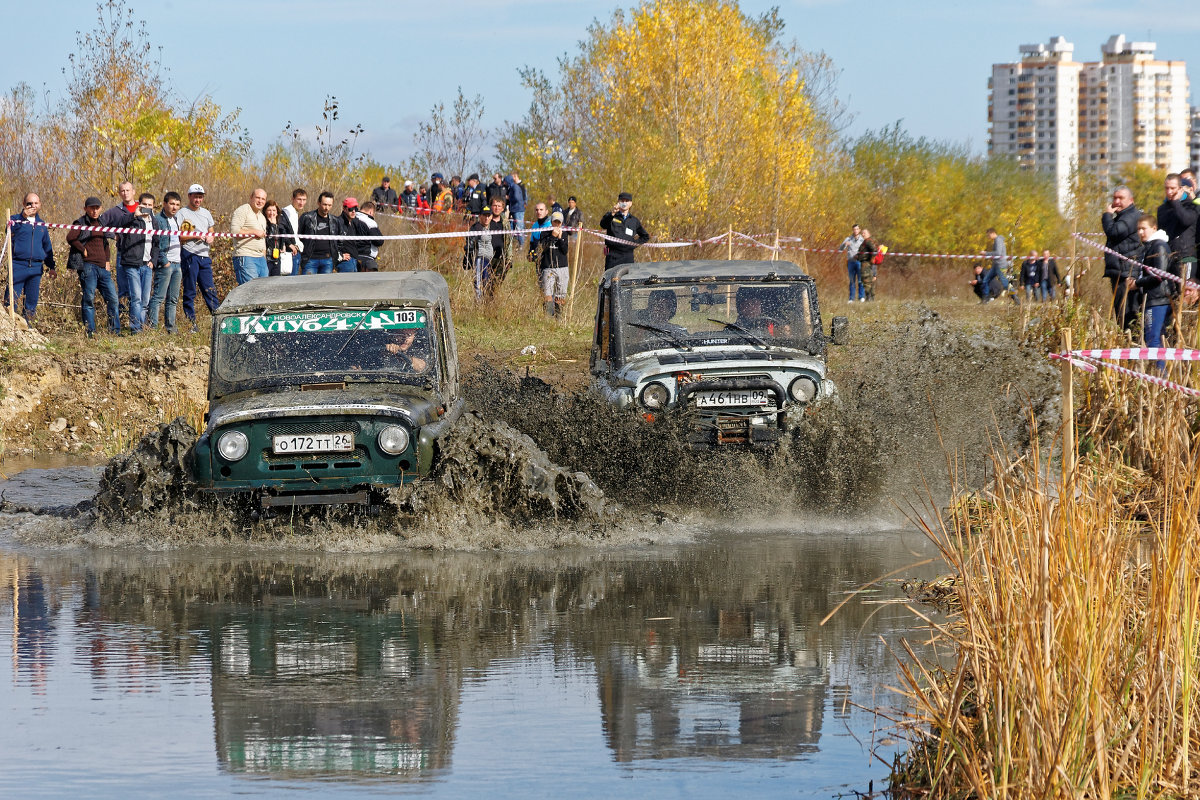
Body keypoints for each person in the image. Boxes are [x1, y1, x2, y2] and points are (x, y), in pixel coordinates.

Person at [66, 196, 119, 336]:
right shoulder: (81, 222)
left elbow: (105, 243)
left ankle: (114, 331)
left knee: (113, 299)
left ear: (100, 208)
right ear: (86, 209)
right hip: (88, 266)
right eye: (92, 208)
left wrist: (107, 261)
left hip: (103, 268)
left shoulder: (102, 223)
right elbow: (70, 237)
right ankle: (90, 332)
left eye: (97, 208)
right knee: (89, 299)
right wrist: (82, 249)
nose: (95, 211)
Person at [114, 193, 163, 332]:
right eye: (144, 204)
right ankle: (135, 329)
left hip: (147, 265)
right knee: (136, 298)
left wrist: (153, 260)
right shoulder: (132, 219)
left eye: (150, 205)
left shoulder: (154, 222)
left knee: (145, 300)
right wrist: (134, 215)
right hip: (131, 264)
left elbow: (156, 243)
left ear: (153, 206)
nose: (147, 207)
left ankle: (141, 327)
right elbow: (117, 224)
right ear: (139, 204)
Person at [1131, 213, 1174, 370]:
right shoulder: (1149, 246)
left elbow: (1159, 274)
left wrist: (1137, 283)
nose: (1140, 232)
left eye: (1144, 229)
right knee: (1155, 338)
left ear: (1154, 228)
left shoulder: (1159, 246)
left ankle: (1159, 375)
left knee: (1154, 339)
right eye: (1138, 229)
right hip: (1152, 298)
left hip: (1158, 299)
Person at [5, 193, 56, 323]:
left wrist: (51, 267)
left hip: (36, 268)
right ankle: (9, 328)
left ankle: (28, 328)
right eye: (29, 203)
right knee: (10, 300)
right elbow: (8, 232)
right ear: (24, 204)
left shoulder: (42, 224)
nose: (32, 206)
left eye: (35, 203)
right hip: (17, 265)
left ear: (40, 205)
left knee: (31, 302)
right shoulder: (15, 220)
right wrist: (23, 217)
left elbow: (47, 246)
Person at [177, 183, 220, 329]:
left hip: (204, 256)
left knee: (210, 290)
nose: (198, 200)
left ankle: (219, 321)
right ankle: (192, 323)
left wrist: (211, 237)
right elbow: (181, 236)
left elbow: (211, 229)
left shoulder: (206, 213)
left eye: (200, 197)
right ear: (189, 196)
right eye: (195, 197)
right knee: (190, 290)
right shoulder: (182, 213)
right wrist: (195, 236)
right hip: (190, 254)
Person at [98, 181, 140, 307]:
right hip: (123, 253)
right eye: (122, 191)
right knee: (123, 287)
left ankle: (140, 319)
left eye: (128, 190)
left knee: (140, 290)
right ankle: (123, 318)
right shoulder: (115, 211)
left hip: (141, 253)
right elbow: (99, 224)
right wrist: (113, 235)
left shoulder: (142, 208)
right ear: (119, 193)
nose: (125, 193)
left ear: (133, 192)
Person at [147, 190, 183, 332]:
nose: (174, 207)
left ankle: (171, 328)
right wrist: (164, 261)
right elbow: (155, 244)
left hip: (177, 264)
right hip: (166, 264)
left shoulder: (176, 220)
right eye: (172, 204)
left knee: (173, 299)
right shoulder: (158, 220)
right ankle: (153, 327)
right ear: (164, 204)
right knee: (158, 297)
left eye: (177, 205)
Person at [1157, 173, 1198, 286]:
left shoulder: (1191, 205)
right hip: (1170, 257)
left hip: (1187, 257)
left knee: (1186, 293)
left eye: (1173, 188)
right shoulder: (1162, 209)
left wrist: (1175, 202)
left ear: (1180, 189)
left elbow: (1186, 220)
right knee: (1174, 295)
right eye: (1167, 188)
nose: (1169, 192)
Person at [298, 191, 348, 274]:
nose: (327, 208)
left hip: (328, 261)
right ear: (318, 203)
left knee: (325, 286)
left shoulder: (335, 221)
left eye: (329, 205)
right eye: (324, 204)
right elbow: (298, 235)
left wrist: (338, 254)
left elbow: (340, 240)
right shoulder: (307, 217)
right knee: (308, 286)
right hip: (310, 260)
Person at [599, 192, 650, 270]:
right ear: (618, 202)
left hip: (628, 256)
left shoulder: (634, 221)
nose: (624, 203)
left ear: (631, 203)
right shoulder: (612, 216)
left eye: (627, 201)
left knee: (627, 280)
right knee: (611, 279)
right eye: (622, 201)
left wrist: (633, 244)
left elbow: (645, 236)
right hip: (613, 256)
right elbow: (603, 225)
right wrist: (612, 213)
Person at [533, 211, 570, 317]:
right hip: (548, 267)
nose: (557, 224)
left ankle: (559, 319)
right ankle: (548, 319)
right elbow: (543, 248)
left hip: (562, 267)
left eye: (559, 222)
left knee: (560, 296)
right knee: (547, 294)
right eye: (555, 222)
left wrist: (560, 239)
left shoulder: (565, 233)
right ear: (551, 222)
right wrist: (553, 236)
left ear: (562, 223)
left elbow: (565, 250)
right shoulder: (545, 232)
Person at [230, 188, 269, 285]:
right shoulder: (243, 210)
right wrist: (253, 232)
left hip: (260, 258)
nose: (260, 201)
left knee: (263, 290)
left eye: (263, 199)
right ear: (251, 197)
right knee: (250, 291)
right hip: (246, 256)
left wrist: (263, 257)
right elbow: (234, 232)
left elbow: (262, 239)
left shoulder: (262, 217)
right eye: (258, 198)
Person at [464, 206, 495, 300]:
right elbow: (469, 243)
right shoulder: (476, 227)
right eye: (484, 216)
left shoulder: (493, 226)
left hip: (491, 259)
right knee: (479, 283)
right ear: (480, 216)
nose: (486, 218)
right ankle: (479, 303)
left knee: (489, 283)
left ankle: (487, 303)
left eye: (488, 216)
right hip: (480, 258)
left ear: (491, 217)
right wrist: (468, 255)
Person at [981, 228, 1013, 303]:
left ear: (992, 233)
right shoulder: (997, 240)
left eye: (988, 235)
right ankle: (985, 299)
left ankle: (1015, 298)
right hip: (996, 265)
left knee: (1005, 284)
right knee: (985, 280)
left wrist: (986, 253)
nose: (988, 237)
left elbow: (998, 253)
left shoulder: (998, 240)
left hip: (1000, 265)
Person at [280, 188, 307, 276]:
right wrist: (289, 244)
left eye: (304, 200)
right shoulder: (287, 211)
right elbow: (282, 229)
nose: (301, 202)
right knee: (290, 283)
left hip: (295, 251)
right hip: (289, 252)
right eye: (299, 199)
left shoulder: (295, 212)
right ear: (293, 199)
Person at [838, 224, 864, 303]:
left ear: (859, 230)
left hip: (859, 262)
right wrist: (845, 244)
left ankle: (861, 297)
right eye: (854, 229)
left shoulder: (862, 240)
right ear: (852, 230)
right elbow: (840, 249)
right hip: (850, 262)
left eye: (857, 229)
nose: (855, 231)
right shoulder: (848, 239)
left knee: (860, 280)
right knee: (852, 280)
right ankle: (851, 298)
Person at [355, 201, 384, 271]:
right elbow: (379, 241)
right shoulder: (369, 222)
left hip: (353, 258)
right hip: (367, 259)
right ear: (371, 212)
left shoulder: (352, 218)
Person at [504, 172, 528, 244]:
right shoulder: (512, 187)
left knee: (519, 228)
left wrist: (509, 198)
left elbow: (517, 198)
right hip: (515, 209)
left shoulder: (515, 187)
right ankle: (518, 244)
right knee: (515, 228)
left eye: (505, 181)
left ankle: (522, 245)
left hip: (518, 210)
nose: (504, 183)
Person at [263, 201, 283, 277]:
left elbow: (281, 239)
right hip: (267, 259)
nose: (272, 213)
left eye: (274, 210)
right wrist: (272, 225)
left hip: (277, 258)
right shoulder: (264, 224)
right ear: (265, 212)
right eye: (269, 210)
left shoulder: (279, 225)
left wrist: (282, 246)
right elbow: (269, 242)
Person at [858, 229, 879, 302]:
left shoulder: (868, 241)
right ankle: (870, 298)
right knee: (869, 281)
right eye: (862, 233)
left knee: (866, 280)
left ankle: (869, 298)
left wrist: (872, 259)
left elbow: (874, 250)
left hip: (866, 264)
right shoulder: (864, 242)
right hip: (864, 263)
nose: (863, 234)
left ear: (869, 234)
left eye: (864, 233)